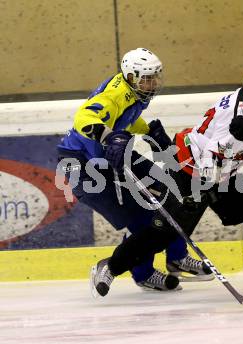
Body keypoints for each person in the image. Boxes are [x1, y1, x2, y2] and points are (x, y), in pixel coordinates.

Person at [96, 63, 243, 296]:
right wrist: (196, 192)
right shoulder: (240, 123)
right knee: (165, 234)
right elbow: (213, 153)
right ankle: (109, 266)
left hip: (216, 173)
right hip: (189, 171)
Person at [56, 48, 213, 295]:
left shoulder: (134, 94)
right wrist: (110, 138)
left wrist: (147, 130)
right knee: (141, 219)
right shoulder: (115, 94)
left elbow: (124, 119)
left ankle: (177, 257)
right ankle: (143, 274)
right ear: (130, 76)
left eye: (155, 77)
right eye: (147, 78)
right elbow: (83, 119)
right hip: (83, 165)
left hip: (112, 155)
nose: (152, 83)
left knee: (171, 193)